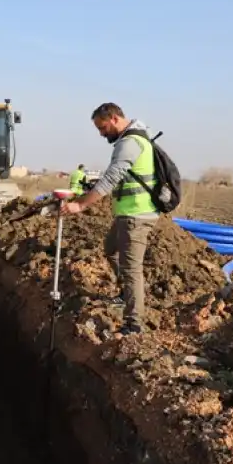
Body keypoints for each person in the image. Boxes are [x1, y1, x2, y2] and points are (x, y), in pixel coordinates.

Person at [60, 102, 160, 335]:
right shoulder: (131, 140)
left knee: (131, 269)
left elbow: (111, 178)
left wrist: (80, 204)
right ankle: (126, 294)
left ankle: (134, 324)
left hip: (137, 215)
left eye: (102, 127)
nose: (101, 133)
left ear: (114, 118)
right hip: (126, 214)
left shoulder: (130, 143)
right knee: (110, 249)